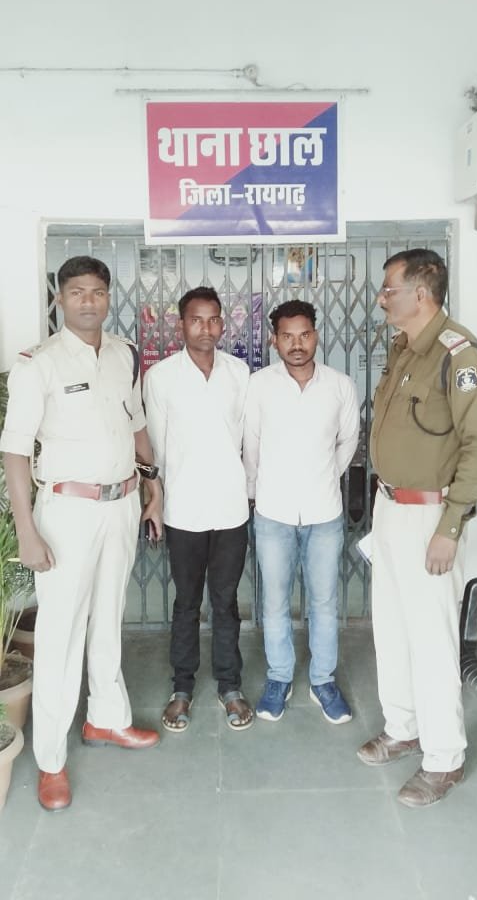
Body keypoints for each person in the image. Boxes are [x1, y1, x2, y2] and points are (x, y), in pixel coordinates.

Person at [0, 256, 163, 812]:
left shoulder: (123, 354)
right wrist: (27, 530)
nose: (88, 301)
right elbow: (15, 452)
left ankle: (106, 718)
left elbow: (136, 425)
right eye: (76, 292)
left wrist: (153, 485)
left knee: (109, 617)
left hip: (121, 505)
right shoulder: (37, 364)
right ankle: (51, 760)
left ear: (109, 296)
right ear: (60, 299)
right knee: (60, 635)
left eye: (97, 291)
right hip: (67, 512)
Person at [358, 248, 477, 807]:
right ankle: (404, 726)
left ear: (422, 292)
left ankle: (443, 759)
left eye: (389, 289)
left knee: (432, 638)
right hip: (390, 507)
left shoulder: (459, 355)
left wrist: (450, 527)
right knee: (392, 627)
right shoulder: (403, 348)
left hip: (430, 518)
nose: (381, 298)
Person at [243, 300, 360, 723]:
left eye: (304, 335)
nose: (297, 344)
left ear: (316, 335)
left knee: (324, 602)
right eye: (287, 336)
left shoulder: (340, 386)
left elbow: (348, 441)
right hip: (273, 513)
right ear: (274, 340)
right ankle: (279, 678)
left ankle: (323, 681)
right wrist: (256, 492)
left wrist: (324, 476)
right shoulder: (259, 385)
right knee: (274, 601)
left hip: (324, 512)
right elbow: (251, 444)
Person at [143, 286, 253, 731]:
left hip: (231, 508)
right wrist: (156, 498)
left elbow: (248, 438)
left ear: (223, 324)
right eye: (196, 319)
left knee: (226, 603)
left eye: (213, 319)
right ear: (180, 324)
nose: (205, 328)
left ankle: (230, 686)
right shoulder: (161, 377)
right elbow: (156, 447)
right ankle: (182, 688)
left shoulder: (239, 373)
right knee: (187, 602)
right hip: (183, 509)